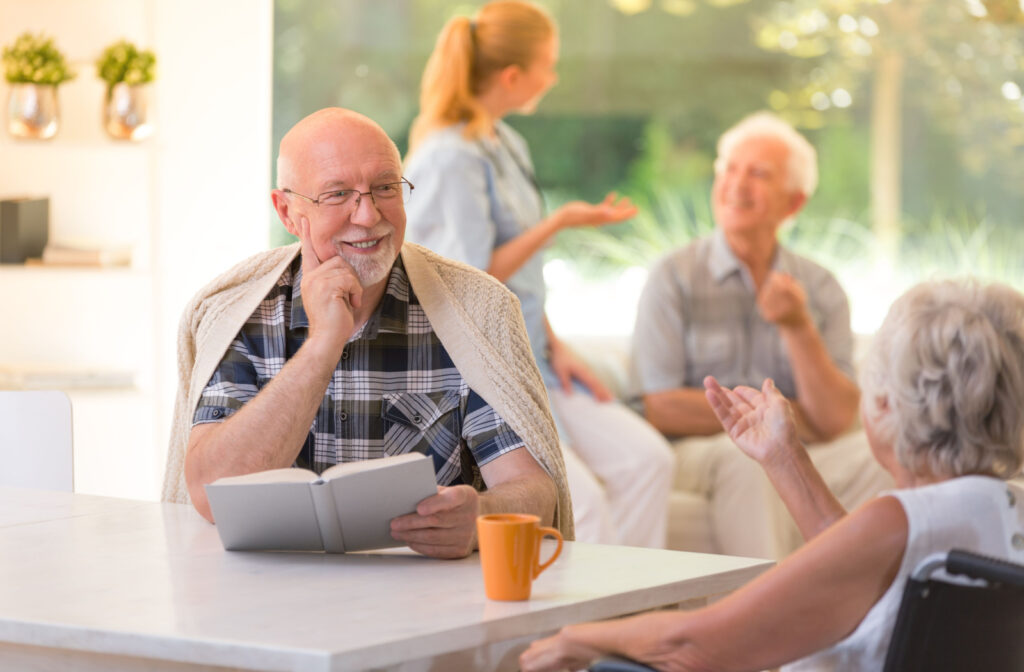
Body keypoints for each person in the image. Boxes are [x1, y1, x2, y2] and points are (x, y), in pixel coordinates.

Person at [521, 278, 1024, 671]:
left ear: (888, 405)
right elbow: (858, 562)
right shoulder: (997, 508)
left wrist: (574, 637)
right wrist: (783, 456)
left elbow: (692, 647)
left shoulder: (898, 520)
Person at [160, 107, 574, 559]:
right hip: (265, 602)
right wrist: (323, 345)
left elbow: (535, 491)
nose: (368, 214)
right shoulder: (238, 312)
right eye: (338, 194)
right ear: (287, 210)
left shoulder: (475, 309)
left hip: (426, 603)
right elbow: (209, 493)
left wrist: (481, 517)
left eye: (385, 188)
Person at [403, 0, 674, 548]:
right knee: (583, 503)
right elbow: (471, 280)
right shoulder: (450, 157)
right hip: (491, 368)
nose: (553, 77)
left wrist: (556, 345)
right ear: (512, 75)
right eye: (548, 64)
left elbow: (520, 280)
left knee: (648, 460)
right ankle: (582, 629)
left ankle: (631, 616)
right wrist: (560, 222)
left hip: (538, 356)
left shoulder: (506, 142)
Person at [630, 111, 891, 557]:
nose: (737, 183)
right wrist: (778, 422)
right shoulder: (673, 276)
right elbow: (661, 406)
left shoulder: (821, 287)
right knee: (749, 459)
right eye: (729, 168)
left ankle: (878, 613)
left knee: (883, 456)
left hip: (802, 450)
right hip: (701, 453)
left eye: (758, 173)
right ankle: (776, 619)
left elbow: (833, 419)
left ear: (793, 203)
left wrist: (797, 326)